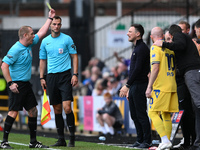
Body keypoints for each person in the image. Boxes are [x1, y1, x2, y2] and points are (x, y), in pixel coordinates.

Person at [0, 9, 55, 149]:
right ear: (25, 35)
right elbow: (4, 66)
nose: (33, 36)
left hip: (26, 84)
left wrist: (49, 18)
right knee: (13, 112)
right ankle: (4, 142)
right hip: (16, 85)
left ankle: (33, 142)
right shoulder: (15, 49)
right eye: (31, 34)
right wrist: (10, 83)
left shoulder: (29, 43)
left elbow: (42, 33)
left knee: (33, 111)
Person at [154, 24, 200, 150]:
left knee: (198, 105)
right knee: (194, 109)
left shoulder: (180, 36)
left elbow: (180, 45)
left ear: (171, 34)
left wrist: (163, 44)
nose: (170, 41)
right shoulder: (186, 40)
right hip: (191, 73)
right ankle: (193, 142)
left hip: (191, 73)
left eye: (170, 38)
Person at [39, 15, 78, 147]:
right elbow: (42, 60)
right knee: (57, 109)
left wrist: (75, 74)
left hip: (65, 76)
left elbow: (74, 56)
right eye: (54, 24)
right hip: (51, 77)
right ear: (50, 25)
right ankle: (61, 139)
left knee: (67, 108)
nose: (57, 26)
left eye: (59, 24)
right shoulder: (45, 41)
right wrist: (41, 77)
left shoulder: (67, 39)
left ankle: (72, 138)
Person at [146, 27, 179, 150]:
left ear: (151, 37)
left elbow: (155, 68)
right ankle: (167, 142)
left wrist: (149, 87)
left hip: (161, 86)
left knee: (152, 112)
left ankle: (165, 140)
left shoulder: (155, 47)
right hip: (172, 84)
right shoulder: (170, 48)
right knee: (165, 114)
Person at [119, 24, 151, 148]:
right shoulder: (137, 48)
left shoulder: (142, 48)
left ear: (138, 34)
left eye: (130, 31)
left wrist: (127, 85)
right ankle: (140, 139)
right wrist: (129, 87)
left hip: (140, 85)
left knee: (141, 114)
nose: (128, 33)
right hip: (134, 86)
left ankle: (146, 141)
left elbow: (137, 69)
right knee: (134, 115)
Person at [172, 22, 196, 150]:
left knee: (189, 113)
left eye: (181, 30)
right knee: (184, 114)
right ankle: (187, 140)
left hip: (185, 82)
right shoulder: (180, 45)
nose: (178, 34)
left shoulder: (189, 44)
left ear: (187, 30)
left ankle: (193, 140)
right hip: (181, 82)